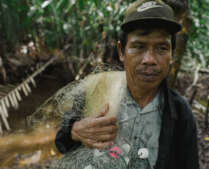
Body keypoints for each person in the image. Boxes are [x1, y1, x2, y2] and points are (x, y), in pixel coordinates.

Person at [55, 0, 199, 168]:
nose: (150, 60)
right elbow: (61, 142)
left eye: (161, 48)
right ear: (121, 52)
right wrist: (75, 131)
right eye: (139, 46)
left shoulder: (180, 113)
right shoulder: (97, 90)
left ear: (171, 55)